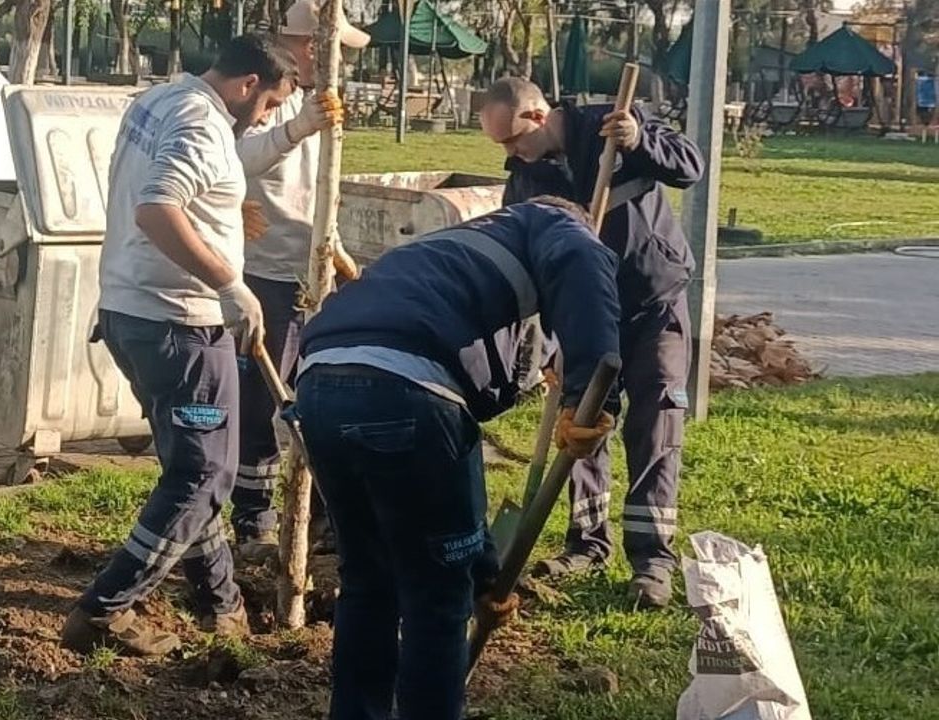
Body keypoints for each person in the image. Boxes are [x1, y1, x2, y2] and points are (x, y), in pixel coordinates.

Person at [294, 198, 621, 720]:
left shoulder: (446, 252)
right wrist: (589, 395)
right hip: (407, 390)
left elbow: (455, 471)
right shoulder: (556, 223)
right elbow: (584, 264)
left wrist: (487, 576)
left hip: (317, 388)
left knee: (368, 580)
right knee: (436, 598)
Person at [60, 34, 298, 658]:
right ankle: (105, 610)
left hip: (128, 313)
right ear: (248, 85)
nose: (267, 118)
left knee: (189, 465)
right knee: (204, 473)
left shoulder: (159, 100)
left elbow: (182, 189)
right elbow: (157, 208)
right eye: (270, 104)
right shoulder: (201, 124)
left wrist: (221, 213)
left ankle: (219, 599)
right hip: (182, 329)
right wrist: (230, 283)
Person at [478, 77, 704, 608]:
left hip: (653, 303)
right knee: (583, 425)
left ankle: (652, 560)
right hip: (585, 320)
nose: (511, 155)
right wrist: (556, 339)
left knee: (656, 424)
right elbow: (533, 265)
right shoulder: (525, 182)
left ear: (535, 116)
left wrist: (638, 142)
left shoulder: (615, 121)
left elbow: (688, 166)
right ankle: (587, 543)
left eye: (512, 141)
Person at [230, 0, 369, 562]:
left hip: (313, 273)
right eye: (336, 48)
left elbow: (317, 188)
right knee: (261, 400)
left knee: (323, 398)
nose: (344, 62)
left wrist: (334, 247)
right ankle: (255, 520)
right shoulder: (266, 92)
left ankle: (324, 518)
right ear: (312, 45)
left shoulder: (320, 104)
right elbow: (234, 157)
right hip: (266, 273)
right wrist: (294, 127)